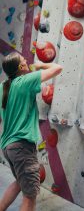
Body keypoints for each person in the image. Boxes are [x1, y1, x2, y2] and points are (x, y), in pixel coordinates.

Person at [0, 52, 62, 211]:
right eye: (23, 60)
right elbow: (57, 68)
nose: (27, 60)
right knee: (30, 196)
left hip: (8, 146)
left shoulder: (3, 86)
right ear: (20, 67)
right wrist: (41, 65)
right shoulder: (26, 80)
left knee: (20, 183)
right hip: (21, 147)